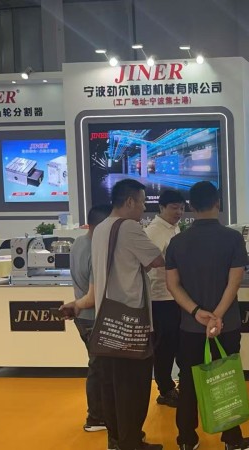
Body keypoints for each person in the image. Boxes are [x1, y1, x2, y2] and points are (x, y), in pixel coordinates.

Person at [63, 179, 165, 450]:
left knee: (112, 386)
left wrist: (78, 304)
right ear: (129, 201)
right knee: (133, 386)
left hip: (106, 321)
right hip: (131, 322)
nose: (143, 208)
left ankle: (117, 439)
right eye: (142, 202)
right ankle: (131, 442)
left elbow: (105, 275)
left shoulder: (100, 229)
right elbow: (157, 260)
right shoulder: (129, 227)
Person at [165, 181, 249, 450]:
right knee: (226, 379)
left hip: (190, 326)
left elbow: (172, 285)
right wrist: (217, 316)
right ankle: (232, 439)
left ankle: (186, 439)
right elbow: (234, 282)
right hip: (226, 325)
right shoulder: (232, 238)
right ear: (218, 203)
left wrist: (196, 312)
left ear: (191, 206)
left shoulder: (177, 242)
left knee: (189, 381)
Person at [69, 203, 112, 433]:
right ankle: (96, 417)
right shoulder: (97, 250)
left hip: (83, 317)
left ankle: (98, 415)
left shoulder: (78, 243)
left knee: (96, 366)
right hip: (93, 316)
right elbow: (94, 296)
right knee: (101, 370)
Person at [144, 189, 185, 408]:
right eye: (174, 208)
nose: (178, 212)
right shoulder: (154, 231)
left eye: (182, 208)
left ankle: (174, 385)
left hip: (174, 296)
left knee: (175, 344)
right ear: (161, 208)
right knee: (164, 347)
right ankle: (165, 389)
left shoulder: (173, 228)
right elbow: (152, 262)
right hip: (160, 297)